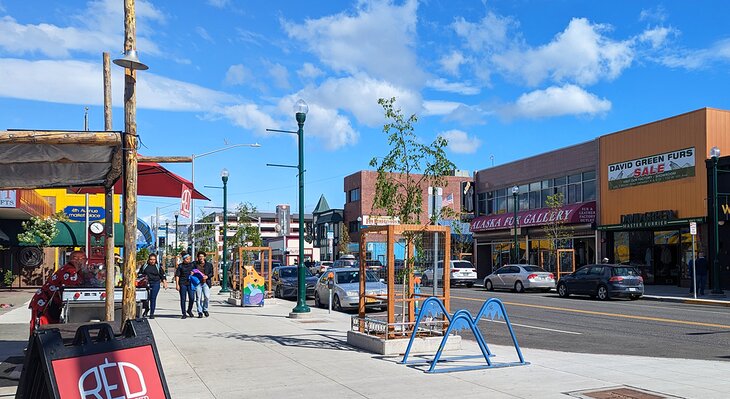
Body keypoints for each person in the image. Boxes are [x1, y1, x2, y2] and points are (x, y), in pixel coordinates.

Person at [28, 251, 86, 335]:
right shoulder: (69, 270)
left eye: (82, 258)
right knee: (43, 325)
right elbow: (72, 285)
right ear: (70, 260)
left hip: (52, 302)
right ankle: (37, 345)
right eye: (75, 258)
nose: (79, 261)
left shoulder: (77, 271)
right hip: (45, 301)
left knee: (51, 325)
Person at [138, 253, 168, 319]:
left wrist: (164, 282)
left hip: (155, 283)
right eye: (151, 259)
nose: (152, 261)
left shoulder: (158, 267)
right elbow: (140, 274)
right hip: (146, 284)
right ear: (148, 260)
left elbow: (162, 275)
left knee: (153, 298)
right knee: (145, 299)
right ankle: (146, 309)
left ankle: (152, 313)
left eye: (154, 260)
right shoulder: (145, 266)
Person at [175, 253, 195, 319]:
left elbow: (196, 271)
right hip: (182, 283)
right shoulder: (180, 266)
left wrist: (193, 273)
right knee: (183, 299)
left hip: (190, 283)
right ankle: (183, 313)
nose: (188, 260)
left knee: (192, 298)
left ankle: (189, 310)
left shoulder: (192, 265)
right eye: (187, 259)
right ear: (184, 259)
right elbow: (177, 276)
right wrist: (177, 284)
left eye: (189, 259)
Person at [195, 251, 213, 317]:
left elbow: (212, 273)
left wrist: (207, 276)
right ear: (198, 257)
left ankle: (205, 309)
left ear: (205, 257)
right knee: (198, 298)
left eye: (202, 256)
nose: (201, 258)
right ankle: (200, 311)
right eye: (200, 256)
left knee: (207, 297)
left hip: (206, 283)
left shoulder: (209, 265)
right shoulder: (195, 264)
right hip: (198, 283)